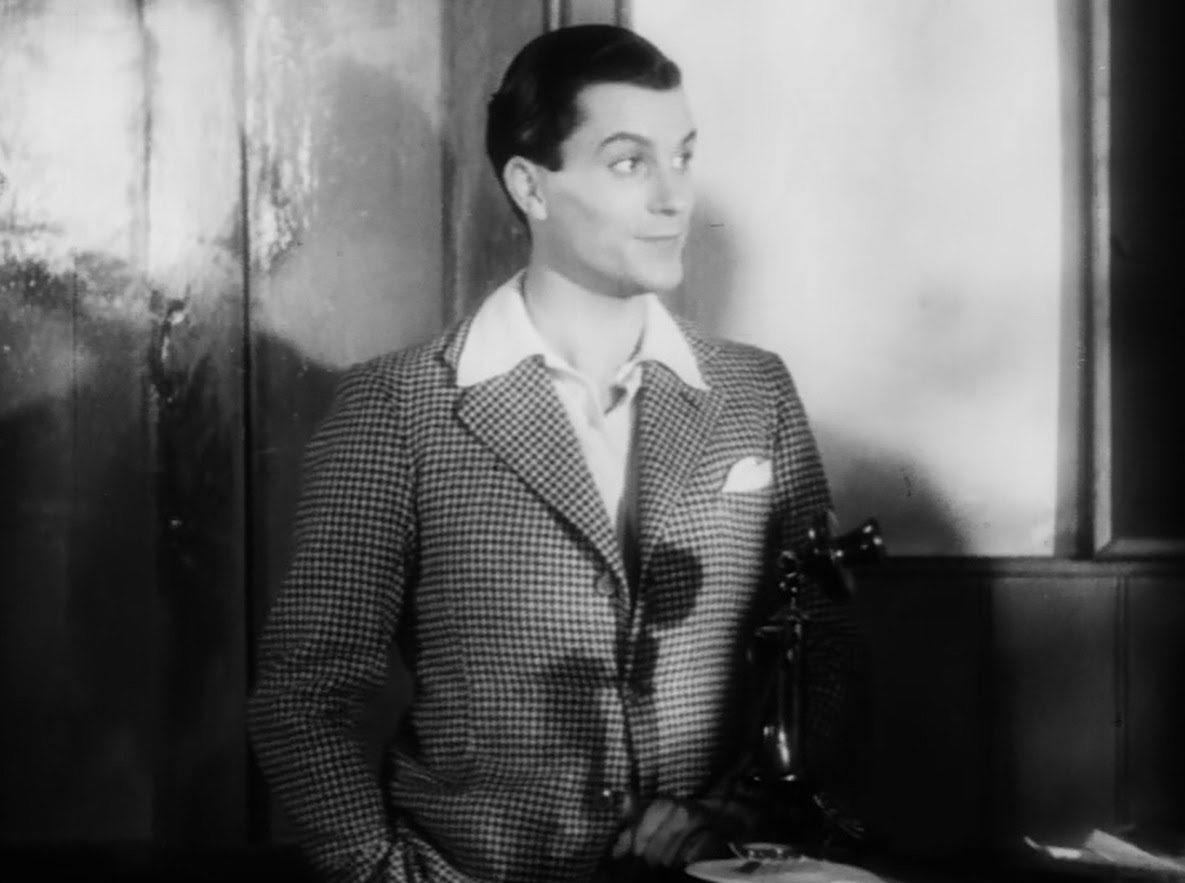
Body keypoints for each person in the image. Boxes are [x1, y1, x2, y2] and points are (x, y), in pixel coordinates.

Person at [247, 23, 862, 883]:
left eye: (682, 156)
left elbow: (823, 649)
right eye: (628, 162)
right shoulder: (397, 407)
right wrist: (386, 873)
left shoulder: (753, 391)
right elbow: (303, 696)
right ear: (530, 186)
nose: (674, 197)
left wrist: (735, 808)